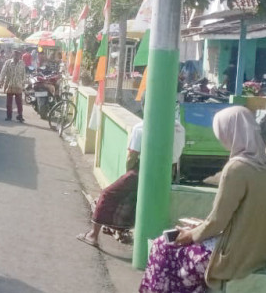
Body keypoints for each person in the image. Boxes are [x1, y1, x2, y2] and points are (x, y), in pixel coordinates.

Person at [140, 106, 266, 292]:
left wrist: (191, 234)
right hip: (257, 253)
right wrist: (200, 228)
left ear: (231, 132)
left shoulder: (236, 169)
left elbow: (218, 221)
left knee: (162, 247)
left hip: (232, 256)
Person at [77, 106, 186, 247]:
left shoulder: (141, 128)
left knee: (107, 194)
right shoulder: (179, 129)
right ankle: (120, 230)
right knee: (135, 202)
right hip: (167, 174)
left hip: (144, 170)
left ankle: (93, 235)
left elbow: (131, 157)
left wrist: (129, 173)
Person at [0, 50, 26, 122]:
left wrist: (23, 83)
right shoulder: (8, 62)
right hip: (9, 85)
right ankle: (9, 116)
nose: (16, 56)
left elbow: (23, 74)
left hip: (18, 85)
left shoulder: (22, 63)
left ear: (20, 56)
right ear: (13, 55)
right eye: (15, 55)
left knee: (19, 102)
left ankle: (20, 115)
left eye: (18, 55)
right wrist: (1, 81)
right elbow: (3, 72)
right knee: (9, 103)